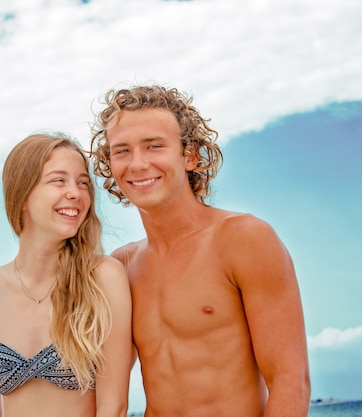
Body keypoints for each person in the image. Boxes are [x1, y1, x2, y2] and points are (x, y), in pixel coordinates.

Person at [90, 85, 310, 417]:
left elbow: (290, 381)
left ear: (190, 155)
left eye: (154, 146)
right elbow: (99, 383)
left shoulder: (244, 239)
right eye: (122, 151)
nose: (137, 164)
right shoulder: (120, 266)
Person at [0, 133, 132, 417]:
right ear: (22, 197)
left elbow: (113, 407)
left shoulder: (104, 277)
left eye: (82, 183)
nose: (76, 193)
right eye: (59, 180)